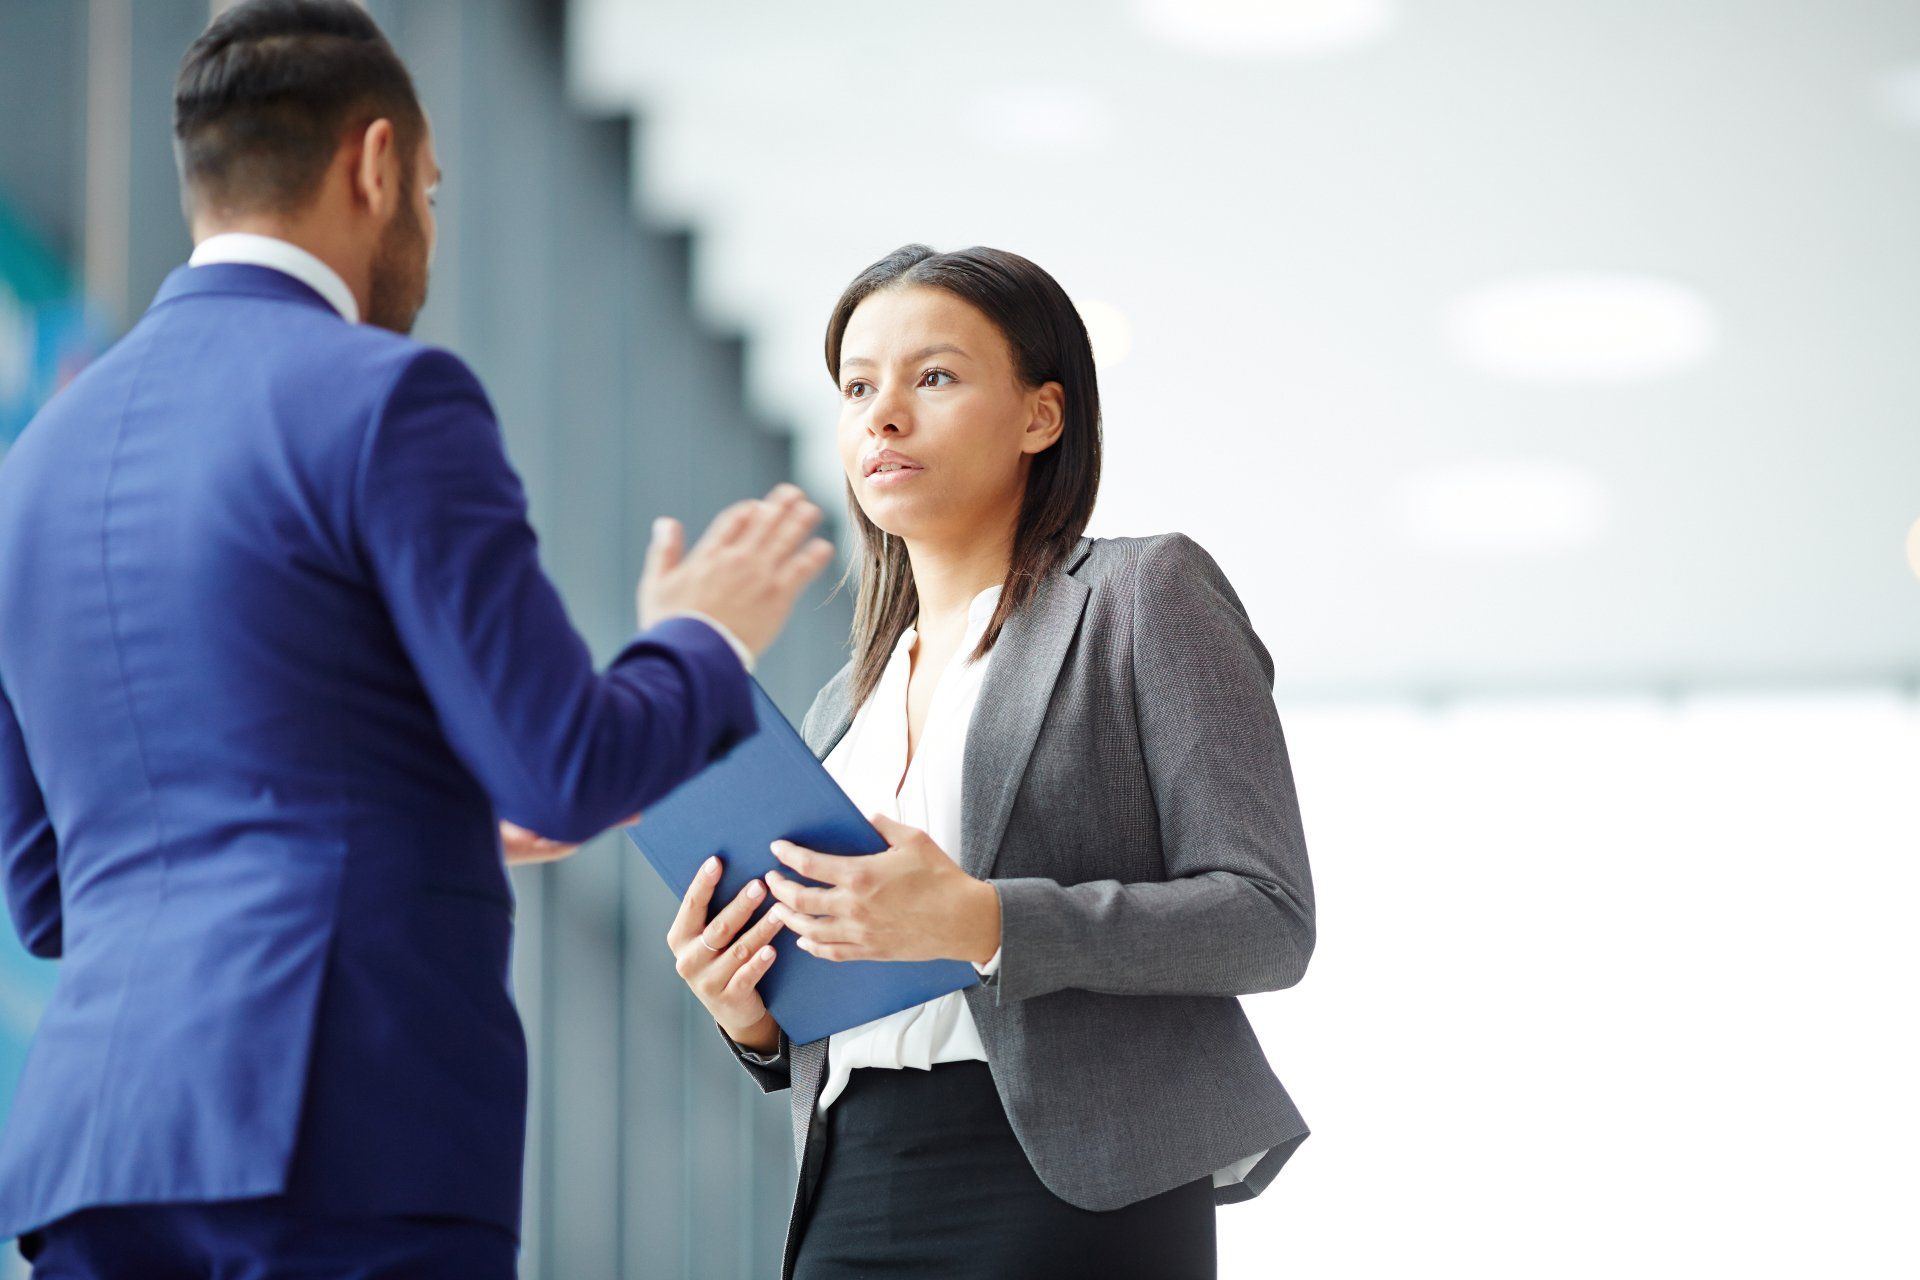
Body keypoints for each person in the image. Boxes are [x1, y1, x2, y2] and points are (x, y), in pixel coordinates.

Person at [0, 1, 832, 1275]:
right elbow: (566, 766)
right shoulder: (388, 396)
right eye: (433, 195)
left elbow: (49, 889)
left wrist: (419, 809)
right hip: (344, 1130)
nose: (429, 235)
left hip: (96, 1153)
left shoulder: (34, 464)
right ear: (376, 164)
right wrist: (705, 633)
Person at [668, 243, 1316, 1279]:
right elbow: (849, 988)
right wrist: (750, 1012)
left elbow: (1265, 919)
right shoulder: (843, 709)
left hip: (1075, 1180)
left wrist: (986, 920)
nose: (882, 417)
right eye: (857, 388)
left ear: (1041, 416)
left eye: (933, 377)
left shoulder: (1141, 598)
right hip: (853, 1184)